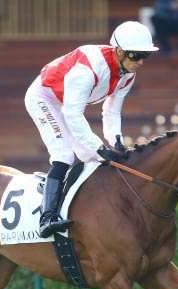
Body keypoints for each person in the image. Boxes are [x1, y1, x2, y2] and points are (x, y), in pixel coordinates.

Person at [24, 21, 159, 238]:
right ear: (119, 51)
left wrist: (116, 142)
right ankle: (47, 217)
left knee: (92, 158)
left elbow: (112, 112)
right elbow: (72, 113)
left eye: (146, 56)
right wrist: (99, 146)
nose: (141, 62)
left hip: (66, 104)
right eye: (136, 55)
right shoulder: (89, 68)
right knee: (64, 155)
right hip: (44, 98)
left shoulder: (127, 74)